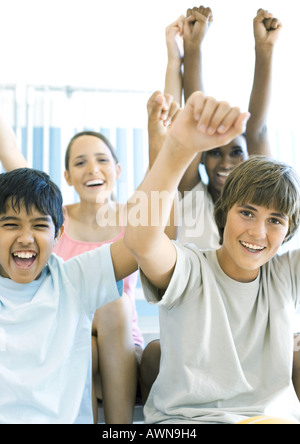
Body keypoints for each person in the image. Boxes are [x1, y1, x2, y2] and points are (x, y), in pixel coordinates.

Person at [124, 91, 300, 424]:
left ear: (288, 230)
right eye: (247, 213)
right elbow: (141, 241)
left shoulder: (284, 272)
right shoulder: (191, 268)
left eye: (275, 220)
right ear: (223, 212)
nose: (258, 232)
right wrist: (175, 148)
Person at [140, 6, 284, 402]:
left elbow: (257, 129)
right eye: (213, 154)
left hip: (248, 332)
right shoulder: (191, 196)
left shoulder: (261, 212)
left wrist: (264, 50)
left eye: (234, 153)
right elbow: (190, 126)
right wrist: (193, 49)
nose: (224, 162)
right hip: (197, 330)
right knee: (152, 355)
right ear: (201, 159)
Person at [0, 167, 137, 424]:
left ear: (59, 232)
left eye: (40, 225)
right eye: (11, 225)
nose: (26, 238)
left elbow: (146, 241)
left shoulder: (73, 279)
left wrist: (172, 151)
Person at [53, 131, 144, 424]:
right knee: (85, 346)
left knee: (113, 303)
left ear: (117, 170)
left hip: (122, 340)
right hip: (69, 335)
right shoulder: (53, 220)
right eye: (81, 163)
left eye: (102, 160)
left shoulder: (133, 218)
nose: (92, 169)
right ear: (67, 177)